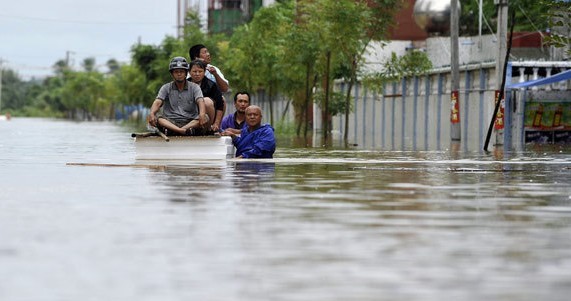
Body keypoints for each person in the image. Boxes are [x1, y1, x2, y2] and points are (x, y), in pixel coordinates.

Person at [148, 57, 209, 136]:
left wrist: (202, 114)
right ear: (172, 74)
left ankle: (179, 130)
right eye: (176, 72)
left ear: (186, 73)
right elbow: (158, 102)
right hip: (170, 122)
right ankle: (180, 130)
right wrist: (152, 113)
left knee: (205, 116)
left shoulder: (194, 87)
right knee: (156, 116)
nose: (179, 74)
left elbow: (200, 101)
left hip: (190, 122)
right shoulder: (166, 87)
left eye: (181, 71)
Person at [188, 59, 225, 132]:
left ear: (204, 72)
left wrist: (216, 123)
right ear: (189, 72)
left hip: (207, 117)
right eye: (194, 71)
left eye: (200, 71)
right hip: (189, 116)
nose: (197, 74)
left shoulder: (211, 85)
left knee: (207, 101)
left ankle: (208, 128)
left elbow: (220, 105)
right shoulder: (184, 84)